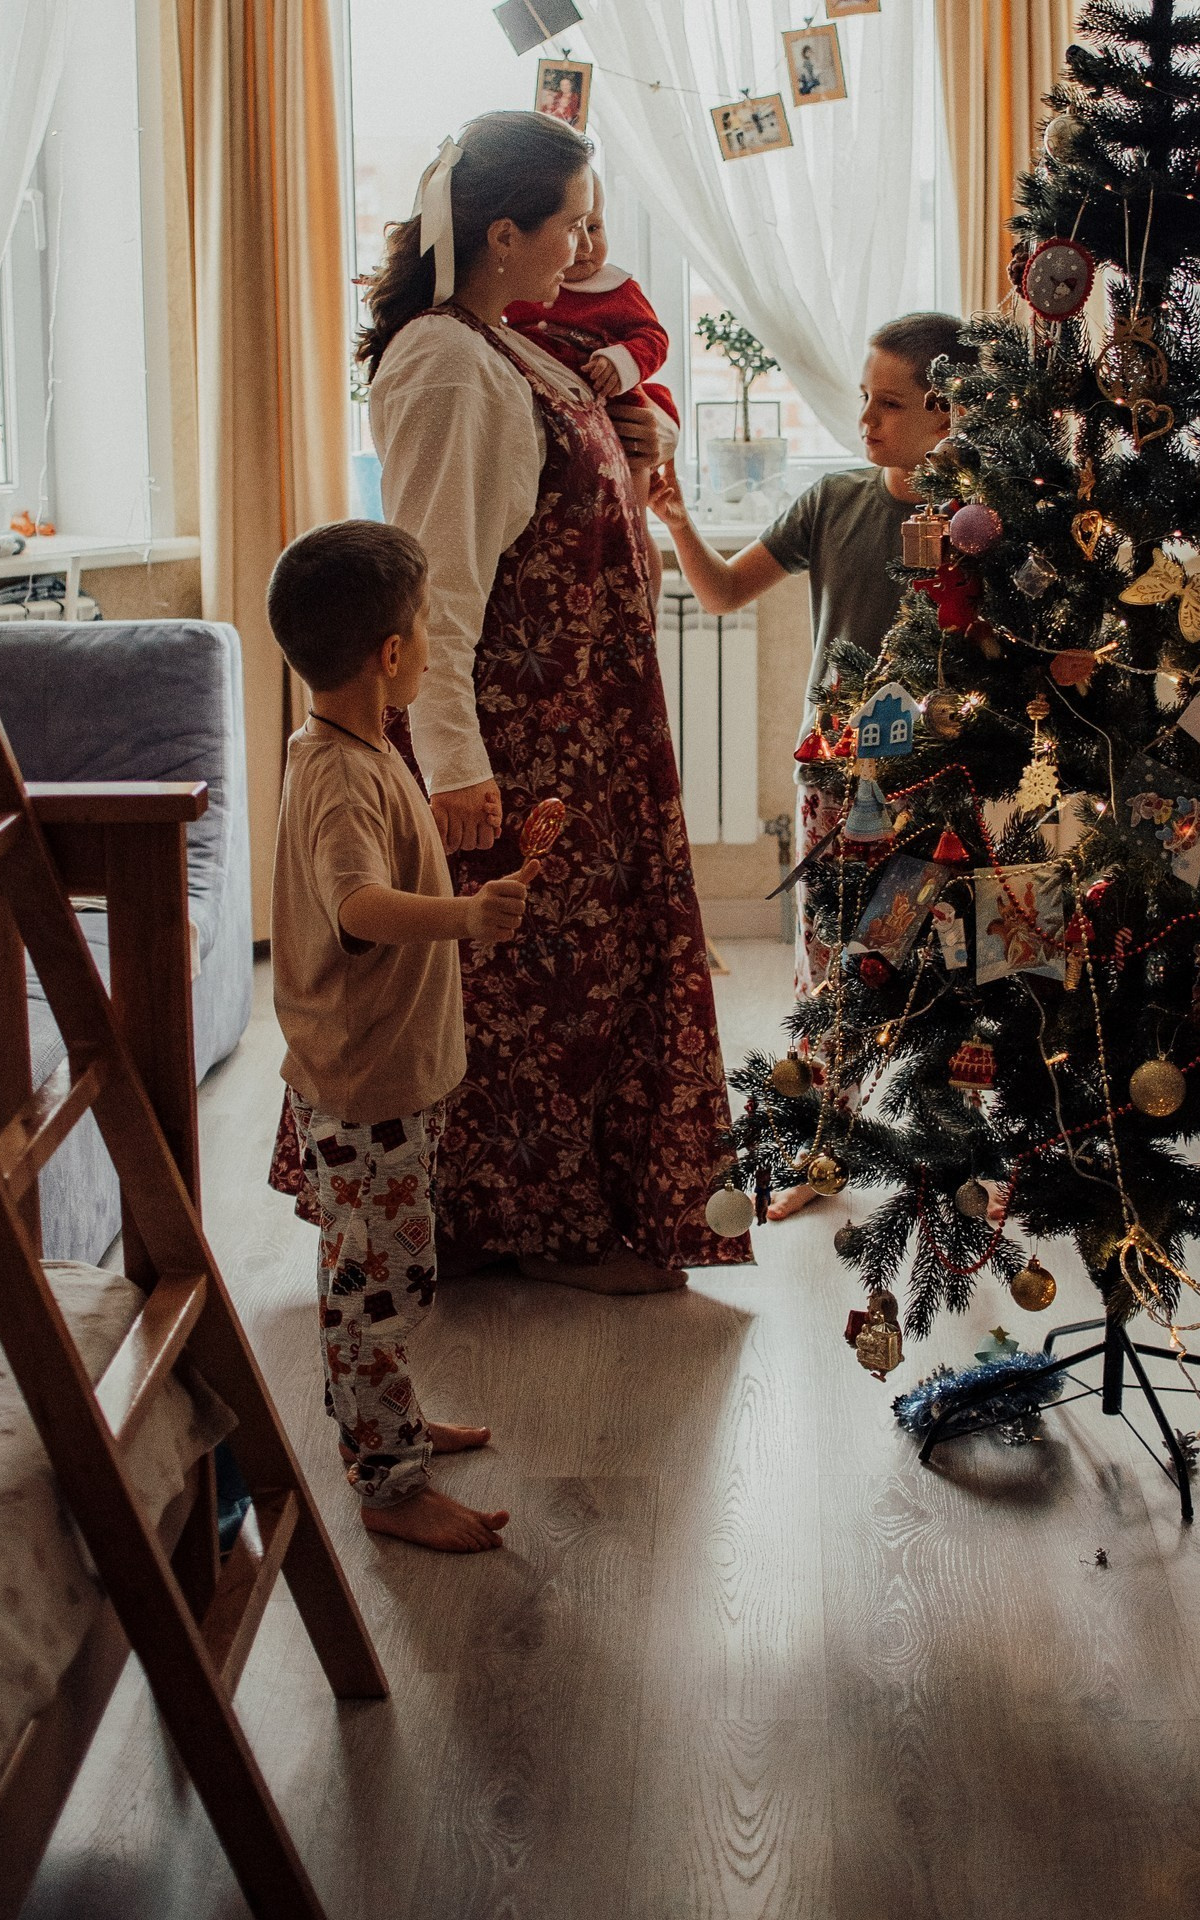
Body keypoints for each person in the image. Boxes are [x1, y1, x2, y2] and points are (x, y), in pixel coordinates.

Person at [343, 109, 747, 1293]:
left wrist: (644, 434)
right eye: (570, 223)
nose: (584, 247)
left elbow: (586, 486)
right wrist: (454, 762)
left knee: (575, 982)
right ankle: (531, 1230)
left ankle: (564, 1215)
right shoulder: (447, 363)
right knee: (532, 990)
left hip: (581, 733)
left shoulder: (507, 347)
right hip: (519, 745)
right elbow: (436, 590)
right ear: (503, 233)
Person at [648, 311, 976, 1218]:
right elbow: (721, 592)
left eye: (889, 404)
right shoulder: (833, 500)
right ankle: (820, 1146)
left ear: (947, 410)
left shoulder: (980, 524)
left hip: (937, 790)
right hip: (834, 784)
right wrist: (677, 520)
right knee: (829, 971)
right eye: (865, 398)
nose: (865, 419)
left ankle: (955, 1152)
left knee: (941, 966)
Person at [266, 520, 537, 1553]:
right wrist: (469, 916)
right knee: (376, 1287)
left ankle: (385, 1423)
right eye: (425, 627)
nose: (431, 644)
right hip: (365, 1082)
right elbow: (359, 906)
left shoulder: (351, 747)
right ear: (390, 655)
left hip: (380, 1074)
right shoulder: (342, 776)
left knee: (384, 1269)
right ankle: (387, 1482)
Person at [504, 169, 675, 600]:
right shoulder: (526, 289)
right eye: (573, 229)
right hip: (562, 426)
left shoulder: (618, 288)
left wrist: (622, 361)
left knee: (633, 525)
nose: (584, 244)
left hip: (620, 413)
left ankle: (643, 601)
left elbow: (654, 338)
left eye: (594, 228)